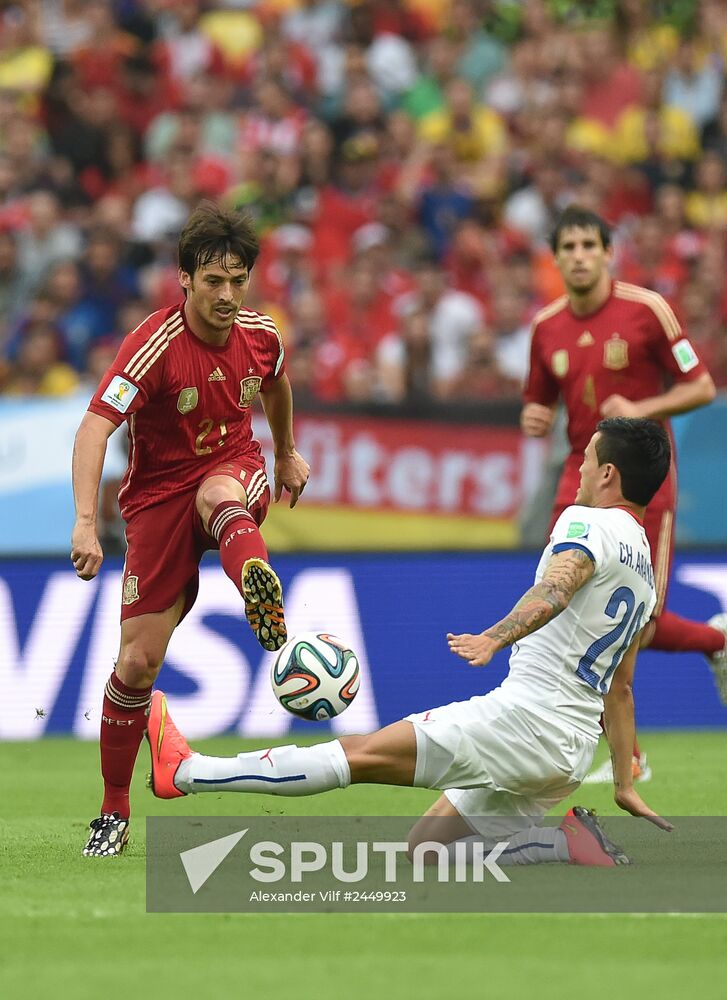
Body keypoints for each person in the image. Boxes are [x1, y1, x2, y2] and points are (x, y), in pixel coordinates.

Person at [147, 418, 673, 869]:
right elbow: (621, 688)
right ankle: (562, 843)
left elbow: (556, 587)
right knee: (427, 850)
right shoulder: (645, 570)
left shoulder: (591, 522)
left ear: (608, 474)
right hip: (571, 751)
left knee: (361, 755)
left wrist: (493, 637)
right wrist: (622, 779)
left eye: (585, 459)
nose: (577, 469)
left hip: (527, 722)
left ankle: (188, 771)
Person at [71, 202, 310, 857]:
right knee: (135, 663)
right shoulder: (153, 346)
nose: (228, 294)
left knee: (220, 492)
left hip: (232, 471)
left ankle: (254, 583)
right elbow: (95, 426)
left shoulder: (262, 334)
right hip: (154, 502)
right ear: (185, 280)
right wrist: (88, 521)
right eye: (214, 281)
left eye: (238, 280)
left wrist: (286, 452)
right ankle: (113, 811)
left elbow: (276, 385)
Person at [521, 205, 727, 784]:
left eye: (590, 244)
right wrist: (535, 413)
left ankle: (713, 644)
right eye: (569, 247)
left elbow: (701, 385)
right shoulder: (546, 328)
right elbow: (539, 398)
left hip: (641, 480)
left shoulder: (647, 311)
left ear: (608, 252)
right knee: (558, 598)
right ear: (557, 258)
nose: (580, 255)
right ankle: (609, 749)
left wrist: (641, 409)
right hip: (579, 478)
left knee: (641, 620)